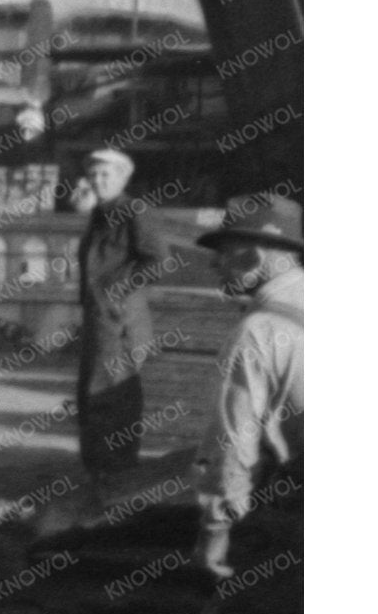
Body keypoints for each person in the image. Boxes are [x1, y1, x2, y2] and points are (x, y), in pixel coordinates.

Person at [193, 193, 304, 580]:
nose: (214, 264)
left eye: (225, 251)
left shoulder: (255, 333)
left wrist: (215, 537)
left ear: (255, 255)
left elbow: (234, 447)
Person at [71, 147, 174, 476]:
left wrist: (120, 290)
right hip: (99, 316)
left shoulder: (134, 210)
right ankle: (98, 473)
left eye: (106, 174)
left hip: (121, 320)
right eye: (94, 174)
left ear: (123, 178)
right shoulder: (100, 213)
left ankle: (115, 475)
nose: (98, 180)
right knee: (92, 394)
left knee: (113, 397)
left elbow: (158, 259)